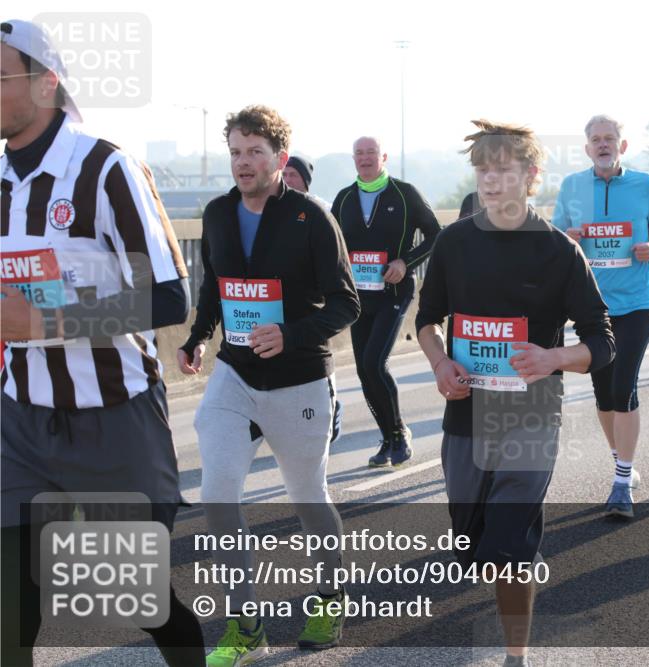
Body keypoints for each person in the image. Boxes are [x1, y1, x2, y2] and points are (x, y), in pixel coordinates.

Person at [0, 19, 204, 665]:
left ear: (46, 83)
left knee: (138, 595)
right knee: (10, 611)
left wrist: (47, 323)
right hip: (20, 424)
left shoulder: (105, 168)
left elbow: (169, 297)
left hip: (115, 419)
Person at [416, 119, 614, 667]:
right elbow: (427, 321)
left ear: (529, 176)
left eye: (502, 169)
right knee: (471, 544)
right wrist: (439, 363)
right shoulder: (454, 242)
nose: (490, 180)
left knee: (510, 549)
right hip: (466, 418)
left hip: (531, 417)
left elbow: (603, 340)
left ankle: (514, 656)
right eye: (483, 169)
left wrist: (554, 358)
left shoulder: (557, 251)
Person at [177, 105, 361, 664]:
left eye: (255, 152)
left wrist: (291, 334)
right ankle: (245, 623)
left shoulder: (310, 218)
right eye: (235, 151)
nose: (243, 162)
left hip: (299, 380)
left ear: (280, 159)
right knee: (218, 494)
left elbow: (347, 302)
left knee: (308, 500)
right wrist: (197, 337)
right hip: (233, 375)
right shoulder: (216, 214)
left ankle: (330, 598)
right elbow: (214, 287)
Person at [551, 114, 649, 518]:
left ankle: (622, 483)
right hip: (591, 306)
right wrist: (567, 239)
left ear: (622, 146)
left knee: (623, 386)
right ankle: (621, 458)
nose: (603, 145)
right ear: (586, 148)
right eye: (595, 139)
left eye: (610, 139)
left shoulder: (644, 184)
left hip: (636, 302)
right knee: (603, 394)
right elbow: (555, 235)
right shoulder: (572, 186)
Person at [331, 136, 440, 467]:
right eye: (359, 154)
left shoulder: (404, 194)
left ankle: (399, 435)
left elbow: (436, 234)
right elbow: (329, 243)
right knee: (365, 371)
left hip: (394, 293)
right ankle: (390, 436)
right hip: (358, 298)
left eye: (371, 153)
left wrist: (405, 262)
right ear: (353, 159)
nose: (365, 159)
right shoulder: (345, 198)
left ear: (384, 157)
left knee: (374, 362)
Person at [279, 154, 342, 442]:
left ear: (305, 180)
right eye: (285, 173)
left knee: (315, 359)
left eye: (294, 174)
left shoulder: (320, 210)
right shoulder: (273, 209)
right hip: (283, 300)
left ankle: (331, 405)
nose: (288, 179)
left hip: (318, 299)